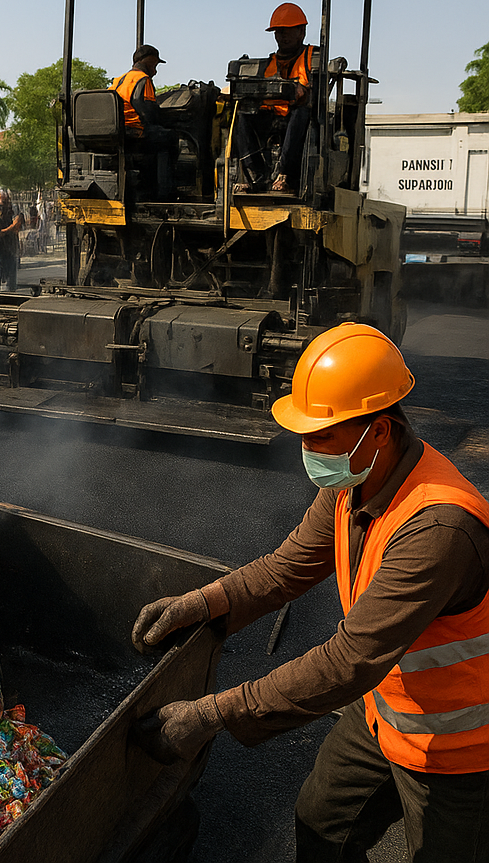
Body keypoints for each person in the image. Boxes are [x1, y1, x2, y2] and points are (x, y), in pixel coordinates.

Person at [131, 322, 489, 862]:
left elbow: (350, 659)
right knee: (322, 824)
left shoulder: (439, 529)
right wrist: (203, 603)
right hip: (386, 714)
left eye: (321, 435)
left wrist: (213, 713)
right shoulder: (354, 481)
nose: (306, 448)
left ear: (380, 431)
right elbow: (287, 567)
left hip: (460, 751)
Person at [232, 2, 316, 194]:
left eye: (286, 30)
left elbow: (315, 91)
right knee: (242, 116)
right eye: (278, 31)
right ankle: (255, 175)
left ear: (301, 32)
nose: (281, 36)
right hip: (271, 117)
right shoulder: (267, 64)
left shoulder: (312, 57)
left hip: (298, 119)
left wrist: (304, 91)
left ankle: (285, 175)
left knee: (301, 113)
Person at [109, 44, 177, 199]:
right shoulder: (142, 79)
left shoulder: (119, 80)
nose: (156, 68)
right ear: (148, 61)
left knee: (158, 135)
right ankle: (165, 193)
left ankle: (148, 184)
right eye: (155, 64)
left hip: (118, 130)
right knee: (169, 138)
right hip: (134, 130)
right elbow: (148, 111)